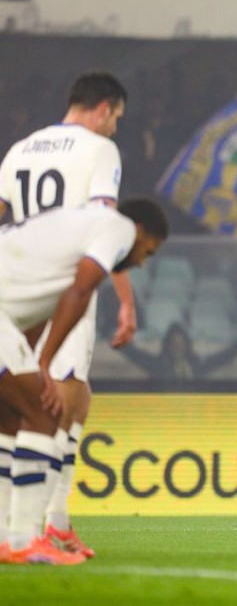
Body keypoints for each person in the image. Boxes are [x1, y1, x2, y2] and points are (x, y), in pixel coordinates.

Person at [0, 71, 136, 558]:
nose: (115, 126)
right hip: (66, 287)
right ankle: (30, 531)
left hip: (19, 287)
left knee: (72, 400)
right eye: (116, 117)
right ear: (103, 108)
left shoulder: (20, 149)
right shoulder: (100, 150)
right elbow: (105, 223)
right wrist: (126, 299)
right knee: (54, 403)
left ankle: (51, 522)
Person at [0, 199, 168, 565]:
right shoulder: (118, 226)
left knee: (10, 417)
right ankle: (23, 541)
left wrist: (32, 364)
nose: (141, 262)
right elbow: (81, 291)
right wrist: (45, 364)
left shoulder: (64, 241)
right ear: (140, 231)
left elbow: (35, 315)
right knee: (44, 412)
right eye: (147, 252)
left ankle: (4, 539)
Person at [120, 323, 237, 381]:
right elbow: (136, 355)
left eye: (180, 344)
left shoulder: (198, 363)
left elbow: (222, 358)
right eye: (174, 344)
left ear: (186, 345)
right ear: (168, 346)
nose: (177, 347)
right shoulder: (157, 365)